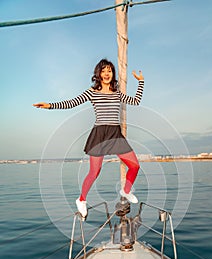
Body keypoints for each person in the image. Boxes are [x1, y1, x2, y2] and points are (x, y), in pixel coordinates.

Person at [33, 58, 144, 219]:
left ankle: (126, 191)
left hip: (115, 133)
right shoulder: (92, 92)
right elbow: (71, 103)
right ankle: (81, 199)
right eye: (103, 71)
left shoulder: (117, 93)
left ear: (113, 74)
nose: (107, 74)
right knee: (95, 171)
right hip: (99, 134)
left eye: (109, 71)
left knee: (134, 166)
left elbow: (136, 101)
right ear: (98, 74)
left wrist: (141, 82)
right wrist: (49, 105)